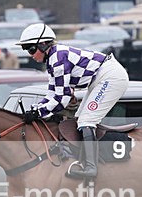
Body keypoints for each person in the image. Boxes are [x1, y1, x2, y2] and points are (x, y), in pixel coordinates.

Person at [17, 22, 129, 179]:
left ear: (43, 45)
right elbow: (52, 94)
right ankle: (85, 160)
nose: (31, 55)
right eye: (27, 50)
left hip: (110, 77)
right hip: (101, 78)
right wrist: (36, 109)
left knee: (86, 121)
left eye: (31, 49)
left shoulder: (57, 58)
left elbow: (62, 98)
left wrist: (38, 112)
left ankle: (91, 167)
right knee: (79, 121)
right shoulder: (53, 59)